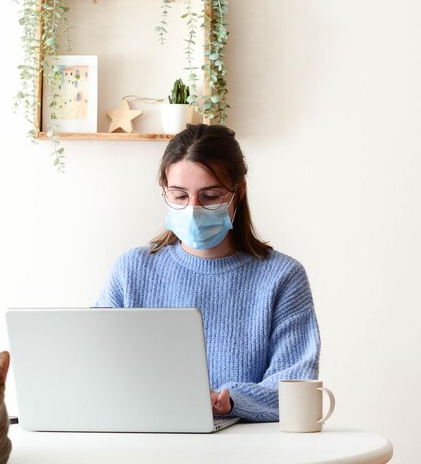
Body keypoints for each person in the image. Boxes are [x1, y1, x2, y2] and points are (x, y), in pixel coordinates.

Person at [96, 124, 320, 422]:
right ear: (165, 191)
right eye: (179, 196)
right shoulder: (132, 270)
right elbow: (94, 366)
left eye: (210, 196)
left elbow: (296, 384)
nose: (193, 209)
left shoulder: (282, 277)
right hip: (146, 442)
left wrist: (229, 401)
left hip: (249, 454)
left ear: (238, 192)